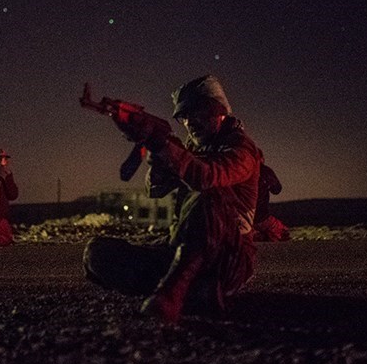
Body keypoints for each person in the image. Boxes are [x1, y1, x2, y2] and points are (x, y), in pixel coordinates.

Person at [84, 75, 262, 324]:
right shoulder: (190, 147)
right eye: (184, 116)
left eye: (197, 112)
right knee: (97, 253)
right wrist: (155, 147)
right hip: (181, 250)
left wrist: (161, 144)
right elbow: (154, 189)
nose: (189, 122)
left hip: (227, 260)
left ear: (217, 110)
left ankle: (173, 294)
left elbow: (206, 177)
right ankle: (198, 294)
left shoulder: (241, 150)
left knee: (209, 196)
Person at [252, 162, 290, 242]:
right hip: (261, 216)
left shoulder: (234, 169)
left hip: (239, 216)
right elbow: (276, 189)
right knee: (283, 234)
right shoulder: (263, 170)